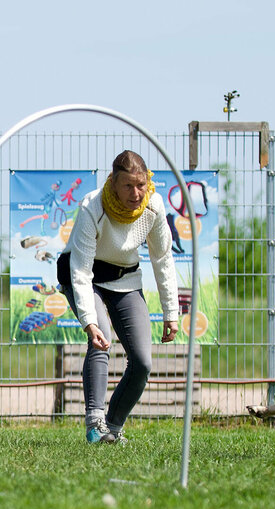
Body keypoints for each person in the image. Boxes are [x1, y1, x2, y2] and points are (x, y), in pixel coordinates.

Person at [57, 150, 179, 444]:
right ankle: (95, 424)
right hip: (86, 278)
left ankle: (113, 428)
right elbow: (82, 270)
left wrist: (170, 312)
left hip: (126, 279)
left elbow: (162, 259)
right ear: (113, 183)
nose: (136, 193)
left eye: (140, 185)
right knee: (101, 340)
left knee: (142, 362)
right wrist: (90, 322)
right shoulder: (93, 205)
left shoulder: (154, 206)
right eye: (127, 186)